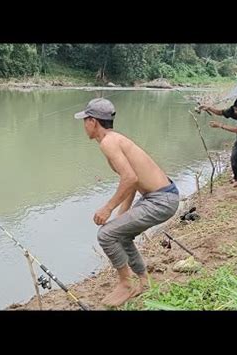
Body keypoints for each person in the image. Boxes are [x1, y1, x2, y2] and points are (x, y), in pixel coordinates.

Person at [74, 98, 180, 307]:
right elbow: (132, 181)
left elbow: (129, 178)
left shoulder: (108, 143)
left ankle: (125, 283)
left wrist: (107, 208)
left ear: (93, 121)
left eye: (85, 120)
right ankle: (142, 280)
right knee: (120, 234)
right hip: (161, 196)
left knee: (105, 234)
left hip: (161, 200)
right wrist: (123, 212)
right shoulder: (115, 139)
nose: (83, 125)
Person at [200, 95, 237, 187]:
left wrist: (220, 125)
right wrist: (209, 108)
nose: (235, 112)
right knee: (234, 157)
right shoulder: (234, 109)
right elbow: (221, 112)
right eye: (235, 109)